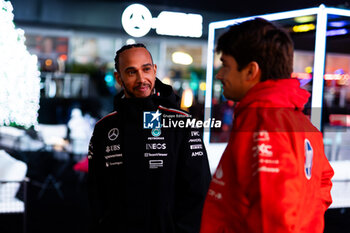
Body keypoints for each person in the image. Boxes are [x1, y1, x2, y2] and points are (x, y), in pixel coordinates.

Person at [200, 18, 334, 233]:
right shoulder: (299, 120)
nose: (220, 74)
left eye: (225, 65)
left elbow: (271, 215)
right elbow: (322, 183)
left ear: (251, 71)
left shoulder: (263, 120)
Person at [88, 43, 211, 233]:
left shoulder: (182, 123)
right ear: (118, 78)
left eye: (146, 69)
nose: (141, 78)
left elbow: (198, 192)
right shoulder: (104, 128)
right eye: (131, 72)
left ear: (154, 70)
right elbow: (95, 193)